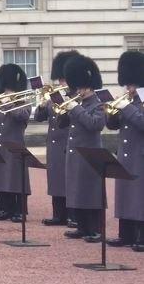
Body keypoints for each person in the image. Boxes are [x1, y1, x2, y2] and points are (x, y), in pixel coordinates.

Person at [61, 55, 105, 242]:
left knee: (90, 192)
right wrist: (63, 110)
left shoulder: (99, 103)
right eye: (77, 87)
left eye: (82, 87)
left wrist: (75, 109)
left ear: (90, 86)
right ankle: (82, 226)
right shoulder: (78, 103)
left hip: (90, 154)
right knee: (77, 191)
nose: (79, 90)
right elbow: (64, 124)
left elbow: (95, 124)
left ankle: (94, 229)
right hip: (76, 153)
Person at [34, 50, 80, 226]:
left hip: (68, 143)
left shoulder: (77, 98)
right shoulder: (54, 97)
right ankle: (58, 214)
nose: (61, 82)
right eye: (60, 79)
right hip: (54, 144)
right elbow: (39, 118)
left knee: (69, 180)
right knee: (55, 180)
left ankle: (73, 215)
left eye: (64, 79)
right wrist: (41, 105)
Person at [106, 51, 144, 251]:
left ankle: (141, 236)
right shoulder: (128, 102)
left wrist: (126, 109)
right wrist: (111, 114)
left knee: (140, 196)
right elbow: (113, 126)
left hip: (140, 155)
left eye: (131, 85)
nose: (128, 88)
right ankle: (125, 234)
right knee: (124, 195)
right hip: (126, 154)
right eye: (127, 85)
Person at [0, 64, 31, 222]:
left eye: (7, 89)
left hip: (15, 144)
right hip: (0, 144)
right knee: (1, 178)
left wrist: (9, 102)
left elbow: (22, 116)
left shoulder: (23, 101)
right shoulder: (0, 100)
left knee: (15, 179)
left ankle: (19, 210)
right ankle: (5, 208)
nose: (5, 92)